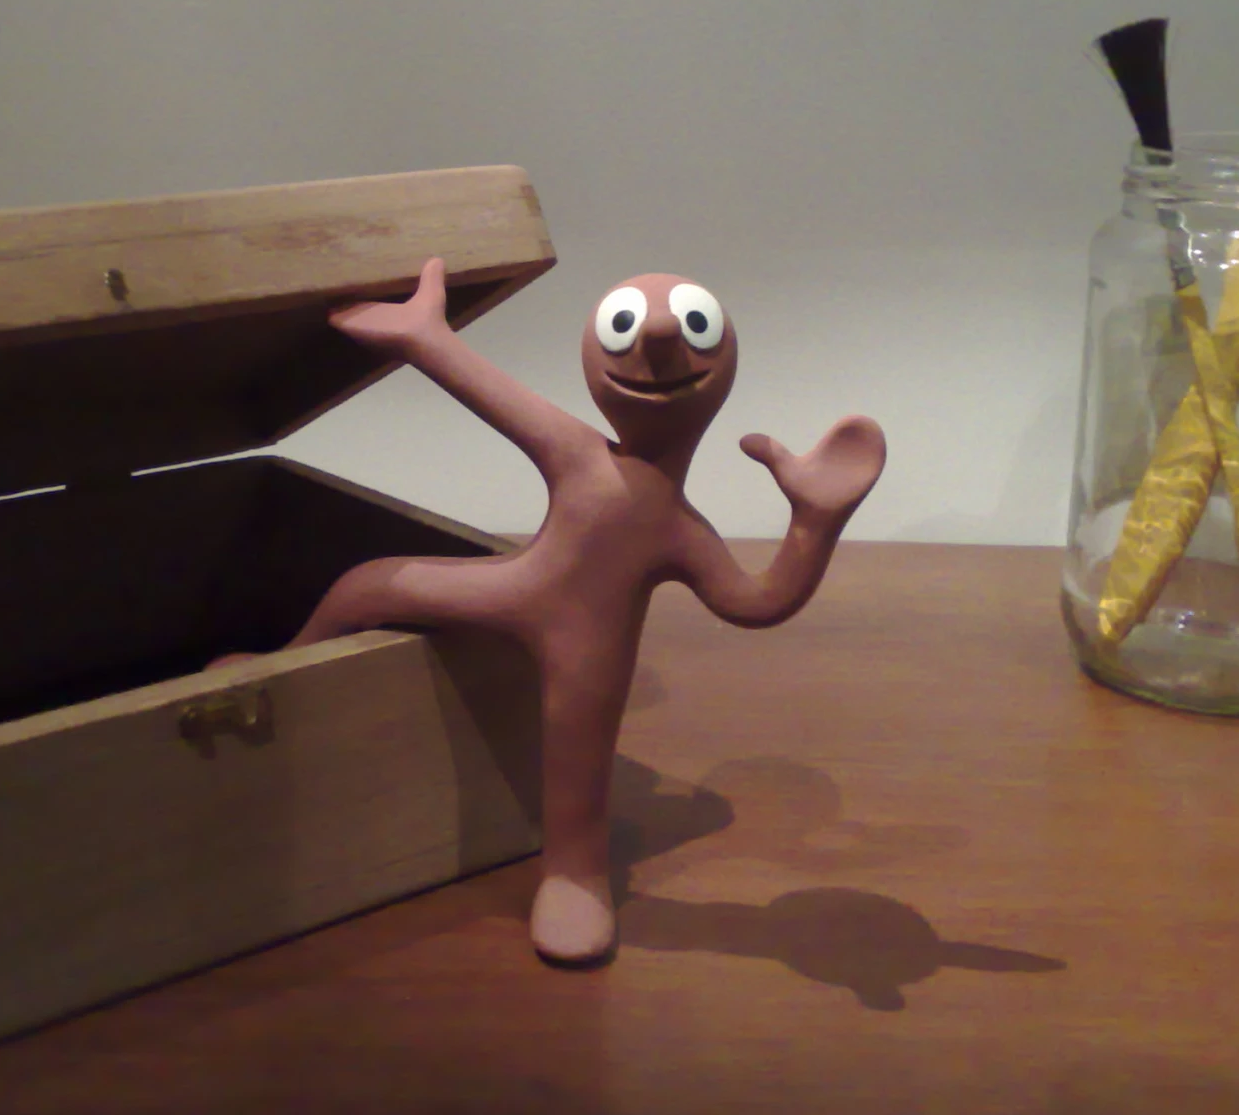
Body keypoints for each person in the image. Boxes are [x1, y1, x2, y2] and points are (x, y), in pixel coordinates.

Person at [274, 260, 886, 966]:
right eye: (623, 327)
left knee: (579, 765)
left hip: (586, 653)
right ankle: (277, 673)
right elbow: (487, 392)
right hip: (511, 588)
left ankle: (573, 873)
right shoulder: (576, 450)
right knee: (366, 586)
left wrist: (815, 523)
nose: (658, 339)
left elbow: (756, 601)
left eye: (694, 329)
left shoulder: (682, 530)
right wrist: (422, 335)